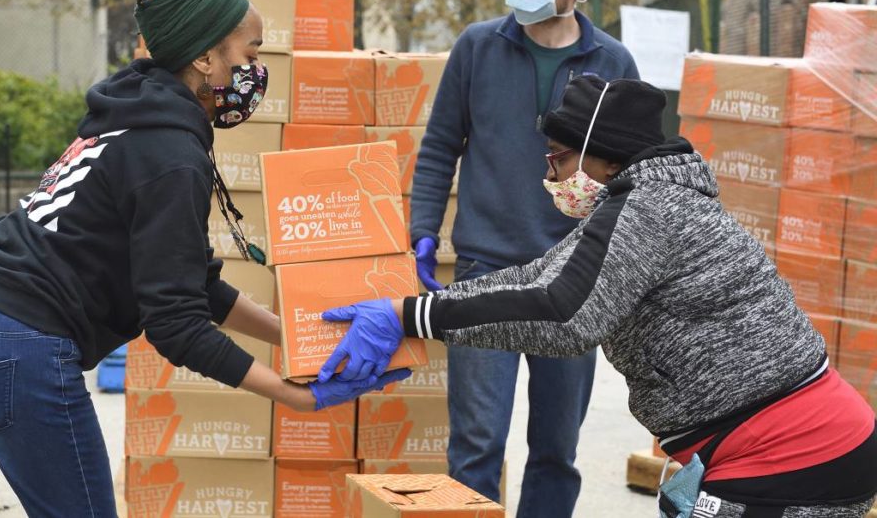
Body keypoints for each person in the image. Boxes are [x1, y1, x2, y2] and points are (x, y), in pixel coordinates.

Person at [0, 0, 404, 518]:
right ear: (206, 58)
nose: (256, 73)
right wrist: (294, 396)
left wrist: (301, 337)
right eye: (252, 54)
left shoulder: (130, 113)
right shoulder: (170, 156)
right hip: (12, 341)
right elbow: (175, 325)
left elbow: (193, 286)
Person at [323, 75, 877, 517]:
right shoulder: (641, 202)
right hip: (779, 445)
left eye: (559, 156)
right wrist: (437, 303)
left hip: (791, 452)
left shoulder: (649, 210)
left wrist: (410, 315)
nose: (550, 173)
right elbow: (540, 277)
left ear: (605, 156)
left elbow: (564, 313)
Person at [405, 0, 639, 515]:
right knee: (475, 446)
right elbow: (439, 148)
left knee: (556, 449)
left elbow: (637, 174)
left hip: (572, 279)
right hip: (485, 271)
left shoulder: (612, 62)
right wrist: (423, 232)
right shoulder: (478, 47)